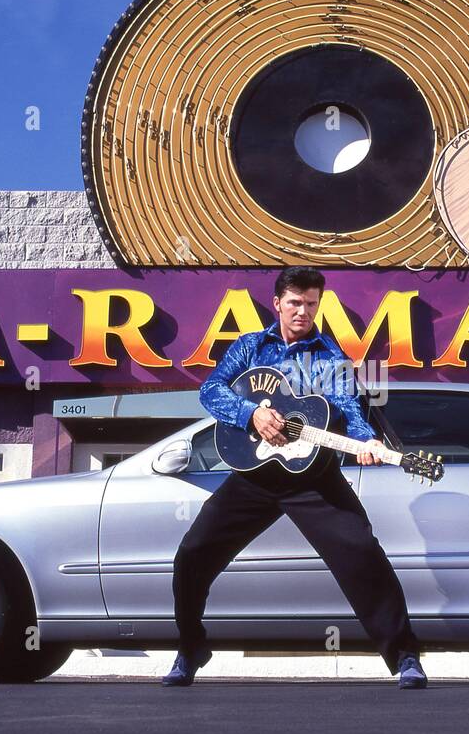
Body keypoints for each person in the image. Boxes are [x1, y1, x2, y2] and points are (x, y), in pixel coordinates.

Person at [165, 266, 427, 689]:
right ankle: (191, 646)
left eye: (311, 303)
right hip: (255, 475)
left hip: (314, 478)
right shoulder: (250, 347)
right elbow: (210, 390)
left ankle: (404, 657)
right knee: (194, 554)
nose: (303, 311)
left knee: (362, 553)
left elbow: (350, 409)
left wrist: (368, 443)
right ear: (277, 303)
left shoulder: (329, 356)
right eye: (295, 303)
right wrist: (250, 412)